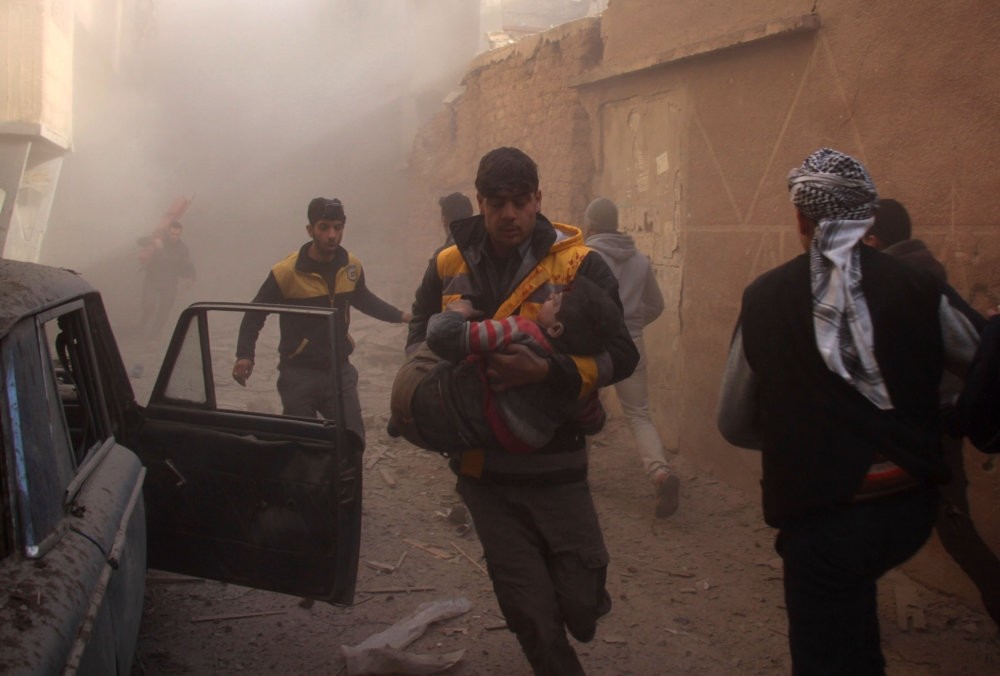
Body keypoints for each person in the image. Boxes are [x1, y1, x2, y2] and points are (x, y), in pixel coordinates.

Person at [717, 148, 980, 674]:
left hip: (822, 517)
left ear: (800, 220)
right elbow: (975, 359)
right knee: (854, 625)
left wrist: (802, 428)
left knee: (824, 650)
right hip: (909, 508)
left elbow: (734, 422)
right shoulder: (919, 287)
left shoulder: (766, 298)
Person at [403, 147, 638, 675]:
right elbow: (419, 331)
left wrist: (546, 373)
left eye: (520, 201)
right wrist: (430, 388)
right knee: (529, 612)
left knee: (580, 604)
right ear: (481, 203)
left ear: (539, 200)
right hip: (484, 470)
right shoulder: (447, 264)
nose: (509, 214)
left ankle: (580, 603)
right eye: (497, 203)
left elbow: (623, 354)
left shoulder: (580, 265)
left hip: (560, 467)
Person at [864, 197, 1000, 626]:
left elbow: (974, 351)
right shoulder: (909, 278)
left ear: (872, 239)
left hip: (930, 430)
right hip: (909, 426)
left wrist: (948, 405)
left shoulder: (915, 284)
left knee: (952, 524)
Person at [232, 197, 411, 442]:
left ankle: (346, 482)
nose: (332, 235)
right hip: (298, 372)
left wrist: (401, 316)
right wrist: (245, 354)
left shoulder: (351, 266)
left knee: (352, 440)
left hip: (340, 370)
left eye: (337, 228)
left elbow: (364, 299)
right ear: (310, 229)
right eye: (324, 227)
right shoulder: (286, 273)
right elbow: (255, 314)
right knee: (304, 444)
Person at [391, 274, 618, 455]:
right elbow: (594, 422)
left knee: (461, 342)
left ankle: (398, 418)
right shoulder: (581, 380)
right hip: (484, 440)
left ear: (556, 329)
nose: (549, 297)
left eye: (554, 300)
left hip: (427, 406)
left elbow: (441, 335)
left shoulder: (522, 331)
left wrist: (458, 313)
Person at [583, 196, 679, 518]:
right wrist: (633, 325)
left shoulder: (585, 257)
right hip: (632, 346)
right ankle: (660, 473)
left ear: (591, 225)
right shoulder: (639, 259)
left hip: (593, 347)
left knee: (580, 405)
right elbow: (657, 305)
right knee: (639, 415)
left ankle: (578, 475)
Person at [138, 220, 195, 338]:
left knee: (164, 310)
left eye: (177, 234)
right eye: (172, 234)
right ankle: (142, 325)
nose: (174, 237)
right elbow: (140, 241)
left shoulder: (182, 248)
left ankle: (154, 335)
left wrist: (191, 277)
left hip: (169, 283)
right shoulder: (160, 240)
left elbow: (187, 264)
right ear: (168, 232)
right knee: (149, 306)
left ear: (180, 234)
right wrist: (152, 241)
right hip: (152, 279)